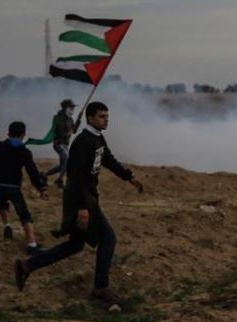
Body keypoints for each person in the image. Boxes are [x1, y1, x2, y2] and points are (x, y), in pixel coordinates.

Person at [14, 101, 144, 304]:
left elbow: (108, 159)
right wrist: (83, 208)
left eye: (107, 116)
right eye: (101, 116)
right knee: (108, 238)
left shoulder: (98, 138)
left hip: (87, 198)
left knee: (75, 245)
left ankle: (27, 266)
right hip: (81, 199)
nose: (106, 120)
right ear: (90, 118)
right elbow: (76, 177)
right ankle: (101, 287)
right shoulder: (83, 142)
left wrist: (129, 177)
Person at [0, 122, 48, 253]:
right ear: (23, 135)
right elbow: (32, 172)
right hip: (14, 188)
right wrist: (42, 188)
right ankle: (32, 244)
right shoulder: (24, 152)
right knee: (24, 215)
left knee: (2, 205)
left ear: (8, 133)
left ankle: (7, 225)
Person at [43, 99, 76, 188]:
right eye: (71, 107)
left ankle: (44, 174)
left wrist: (78, 122)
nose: (72, 109)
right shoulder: (58, 118)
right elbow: (60, 133)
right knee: (66, 159)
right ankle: (60, 180)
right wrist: (69, 132)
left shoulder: (70, 119)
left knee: (62, 165)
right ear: (65, 108)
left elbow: (74, 131)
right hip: (58, 143)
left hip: (65, 144)